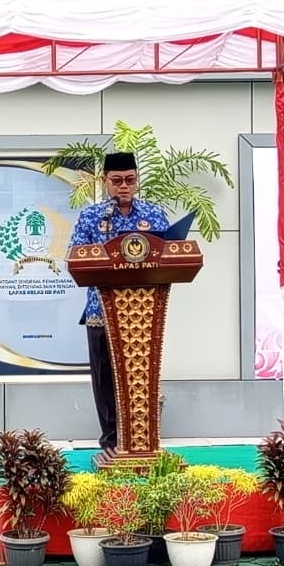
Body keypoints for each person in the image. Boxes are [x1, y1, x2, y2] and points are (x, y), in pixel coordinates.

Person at [69, 151, 169, 467]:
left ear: (137, 180)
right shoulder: (91, 217)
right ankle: (112, 442)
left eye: (129, 180)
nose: (124, 186)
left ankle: (143, 442)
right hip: (102, 312)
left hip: (144, 314)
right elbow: (75, 257)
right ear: (105, 181)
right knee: (105, 382)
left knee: (140, 377)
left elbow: (169, 254)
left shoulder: (154, 215)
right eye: (117, 181)